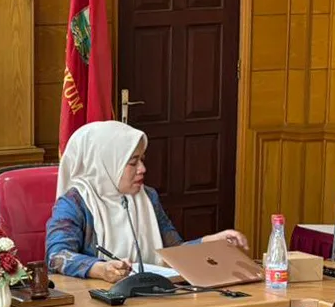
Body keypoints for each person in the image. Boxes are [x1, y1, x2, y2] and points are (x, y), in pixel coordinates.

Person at [46, 120, 248, 283]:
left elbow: (172, 252)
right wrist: (100, 269)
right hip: (98, 303)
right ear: (105, 164)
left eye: (142, 159)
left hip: (151, 294)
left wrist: (209, 242)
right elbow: (57, 256)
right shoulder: (75, 202)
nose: (142, 168)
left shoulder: (147, 197)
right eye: (133, 162)